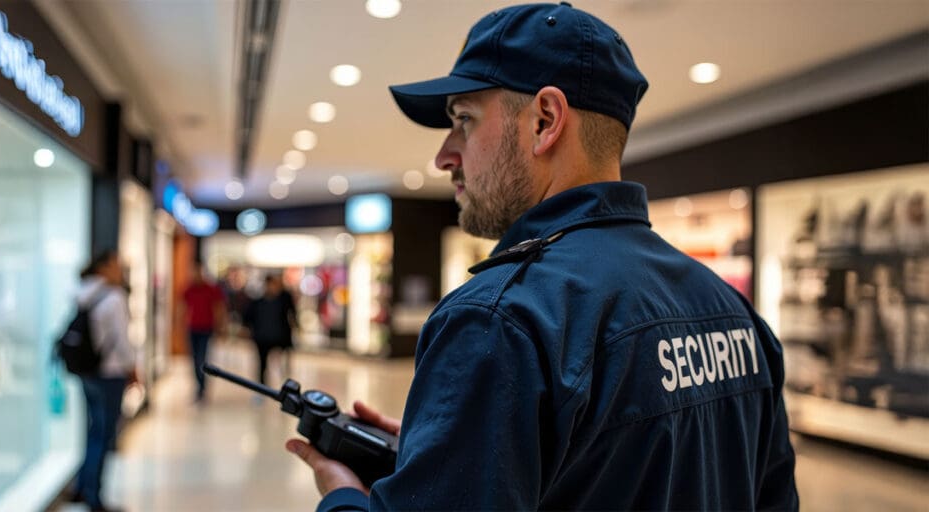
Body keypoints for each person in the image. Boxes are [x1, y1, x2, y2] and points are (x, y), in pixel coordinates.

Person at [285, 3, 799, 511]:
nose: (444, 154)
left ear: (544, 121)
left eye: (464, 119)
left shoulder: (501, 319)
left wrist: (346, 498)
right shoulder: (732, 313)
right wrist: (450, 458)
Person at [70, 250, 135, 512]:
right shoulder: (114, 296)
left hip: (87, 371)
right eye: (117, 265)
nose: (121, 271)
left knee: (93, 431)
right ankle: (93, 497)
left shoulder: (82, 291)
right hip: (110, 373)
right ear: (105, 267)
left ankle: (81, 488)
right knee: (104, 435)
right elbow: (120, 339)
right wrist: (132, 368)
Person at [181, 262, 226, 402]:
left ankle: (202, 387)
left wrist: (220, 326)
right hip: (192, 328)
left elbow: (219, 307)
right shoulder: (189, 289)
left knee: (202, 357)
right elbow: (182, 307)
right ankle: (199, 385)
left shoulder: (211, 289)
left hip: (206, 328)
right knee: (194, 359)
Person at [247, 274, 298, 385]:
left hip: (280, 337)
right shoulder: (258, 302)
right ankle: (262, 385)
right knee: (262, 364)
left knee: (283, 360)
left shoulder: (284, 300)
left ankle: (284, 380)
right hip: (262, 338)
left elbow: (292, 315)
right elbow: (249, 318)